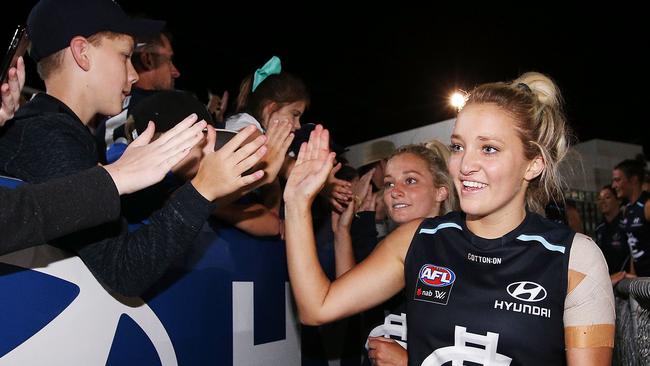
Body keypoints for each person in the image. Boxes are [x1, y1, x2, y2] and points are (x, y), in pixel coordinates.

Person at [284, 72, 614, 365]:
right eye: (458, 147)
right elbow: (318, 307)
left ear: (533, 164)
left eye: (489, 149)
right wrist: (297, 201)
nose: (464, 165)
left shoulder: (574, 258)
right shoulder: (419, 239)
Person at [0, 0, 268, 297]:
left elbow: (106, 214)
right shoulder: (47, 136)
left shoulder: (56, 130)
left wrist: (170, 172)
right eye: (125, 56)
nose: (134, 75)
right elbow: (124, 269)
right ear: (82, 53)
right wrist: (202, 190)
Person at [332, 142, 457, 366]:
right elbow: (343, 300)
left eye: (410, 181)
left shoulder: (460, 253)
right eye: (389, 183)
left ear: (441, 191)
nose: (395, 191)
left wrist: (410, 362)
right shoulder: (385, 247)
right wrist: (341, 231)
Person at [96, 29, 182, 163]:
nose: (176, 72)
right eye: (169, 60)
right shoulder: (157, 106)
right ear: (147, 59)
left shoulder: (115, 108)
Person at [225, 55, 309, 134]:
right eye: (294, 115)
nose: (298, 126)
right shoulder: (245, 126)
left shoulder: (261, 130)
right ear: (271, 108)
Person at [612, 158, 650, 276]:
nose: (614, 185)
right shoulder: (627, 210)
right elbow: (633, 248)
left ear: (633, 180)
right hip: (641, 285)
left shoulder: (647, 205)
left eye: (618, 180)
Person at [594, 185, 633, 284]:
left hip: (626, 280)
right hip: (607, 281)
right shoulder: (599, 228)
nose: (602, 201)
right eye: (599, 199)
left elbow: (633, 253)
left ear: (618, 200)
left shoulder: (627, 224)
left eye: (607, 197)